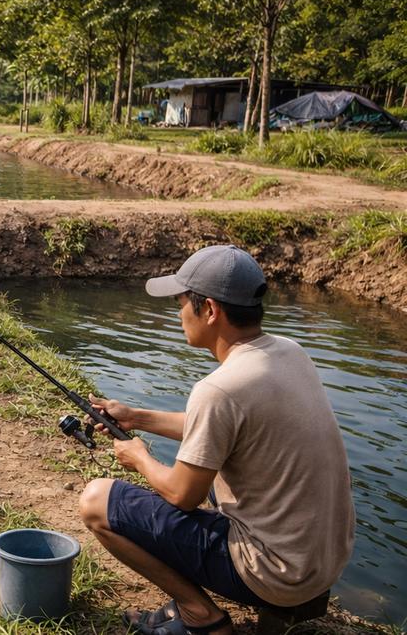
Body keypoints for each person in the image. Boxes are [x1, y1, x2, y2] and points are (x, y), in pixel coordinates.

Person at [77, 245, 354, 635]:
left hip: (277, 575)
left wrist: (138, 456)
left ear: (209, 310)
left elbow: (182, 495)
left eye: (180, 304)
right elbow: (225, 428)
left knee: (95, 502)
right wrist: (137, 417)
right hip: (321, 563)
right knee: (209, 476)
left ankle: (200, 616)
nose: (178, 315)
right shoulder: (289, 353)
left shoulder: (218, 389)